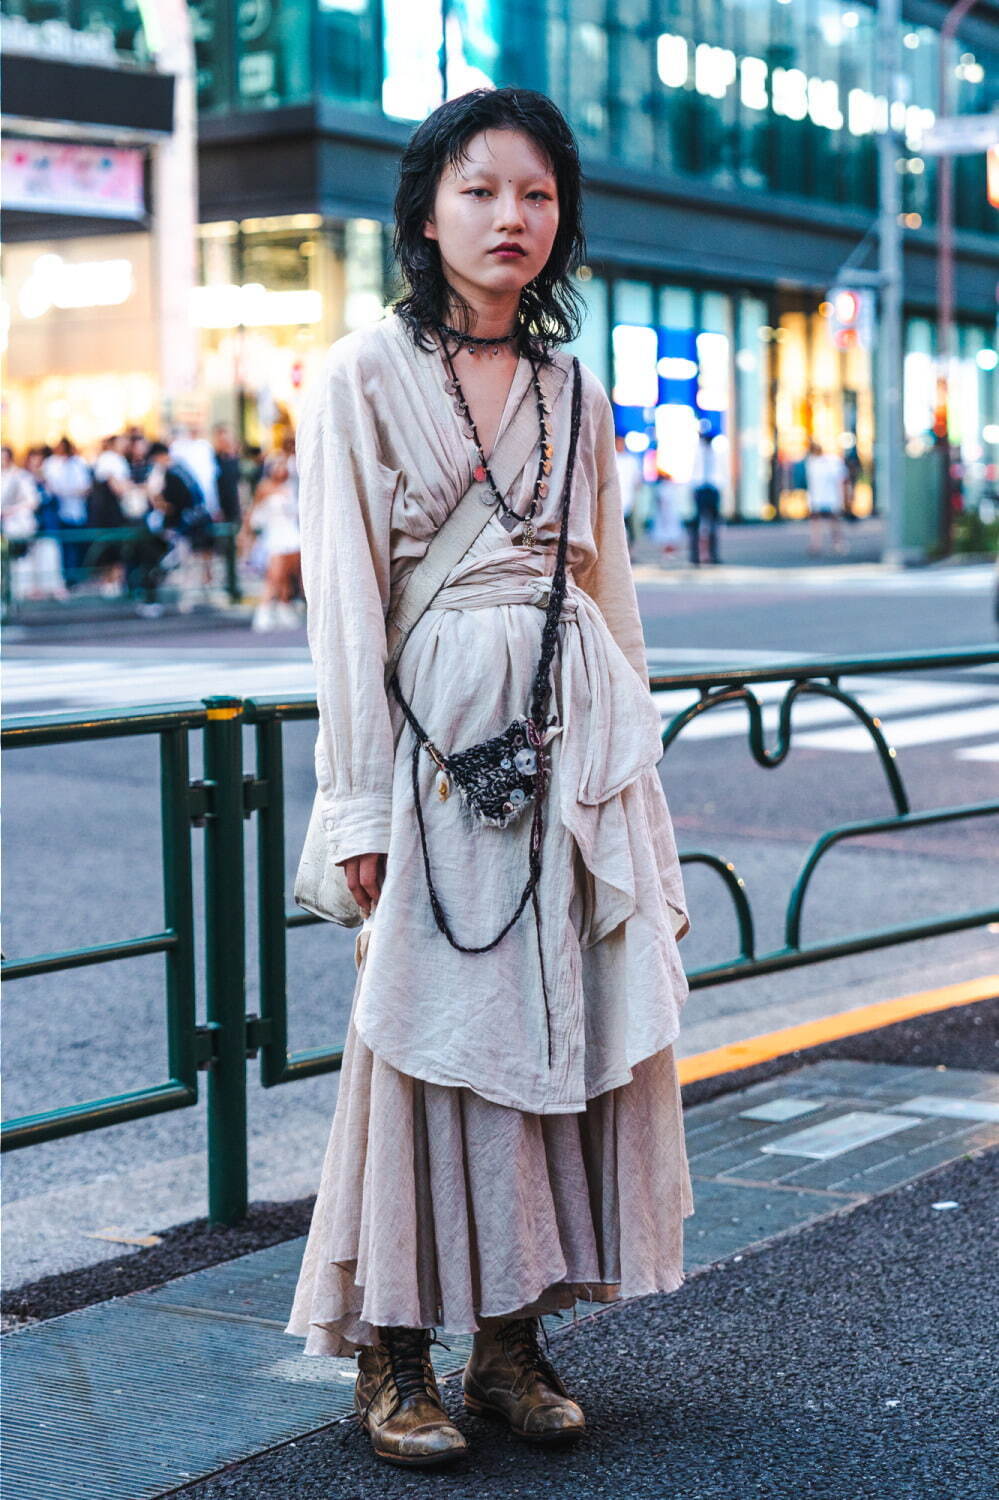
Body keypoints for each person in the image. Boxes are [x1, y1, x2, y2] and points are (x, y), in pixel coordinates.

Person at [284, 88, 692, 1471]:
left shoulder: (575, 391)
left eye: (533, 193)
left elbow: (607, 593)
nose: (510, 216)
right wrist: (350, 806)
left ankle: (511, 1343)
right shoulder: (354, 376)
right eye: (478, 190)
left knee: (557, 1035)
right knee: (422, 1038)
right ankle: (392, 1356)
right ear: (422, 212)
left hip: (573, 749)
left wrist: (638, 791)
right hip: (436, 758)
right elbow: (342, 607)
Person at [241, 452, 301, 631]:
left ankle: (284, 606)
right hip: (275, 534)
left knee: (287, 575)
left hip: (291, 533)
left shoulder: (291, 487)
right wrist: (246, 535)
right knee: (274, 574)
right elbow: (253, 512)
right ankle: (264, 608)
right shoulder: (264, 488)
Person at [42, 437, 92, 586]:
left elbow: (85, 487)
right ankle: (68, 577)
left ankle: (75, 575)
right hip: (59, 512)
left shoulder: (78, 463)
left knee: (76, 544)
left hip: (77, 512)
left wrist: (71, 492)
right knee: (65, 546)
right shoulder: (52, 463)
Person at [805, 439, 848, 556]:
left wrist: (843, 497)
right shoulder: (812, 462)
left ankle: (835, 543)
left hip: (828, 496)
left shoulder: (831, 462)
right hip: (822, 496)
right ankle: (819, 544)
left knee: (831, 521)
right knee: (826, 521)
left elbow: (840, 480)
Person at [688, 419, 722, 565]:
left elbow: (721, 471)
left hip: (712, 488)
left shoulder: (717, 451)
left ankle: (713, 554)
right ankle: (695, 555)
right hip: (699, 488)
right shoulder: (696, 451)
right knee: (696, 524)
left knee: (714, 524)